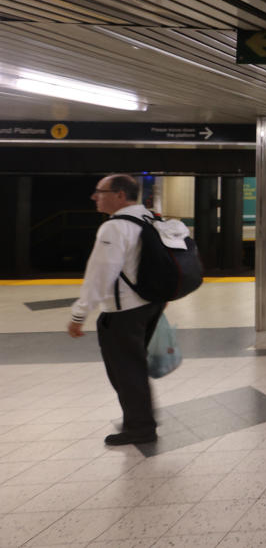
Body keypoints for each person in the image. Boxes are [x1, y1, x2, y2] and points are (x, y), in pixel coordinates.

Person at [66, 174, 165, 445]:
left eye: (100, 191)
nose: (94, 196)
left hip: (124, 312)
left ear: (120, 195)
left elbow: (99, 274)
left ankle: (141, 428)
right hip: (149, 305)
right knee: (133, 366)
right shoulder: (151, 218)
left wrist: (79, 314)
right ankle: (139, 418)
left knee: (125, 370)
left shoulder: (115, 227)